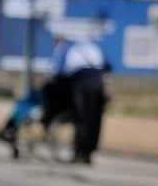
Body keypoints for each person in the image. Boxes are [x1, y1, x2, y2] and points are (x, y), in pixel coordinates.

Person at [40, 36, 111, 165]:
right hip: (98, 82)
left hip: (81, 81)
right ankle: (88, 152)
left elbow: (57, 72)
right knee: (94, 119)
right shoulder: (95, 47)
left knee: (81, 117)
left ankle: (78, 151)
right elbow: (108, 67)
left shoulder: (67, 48)